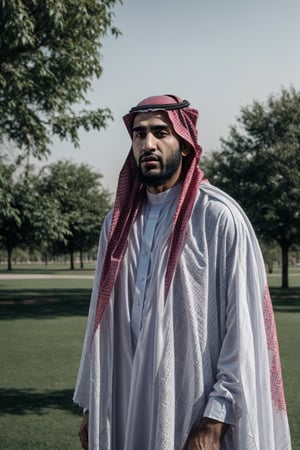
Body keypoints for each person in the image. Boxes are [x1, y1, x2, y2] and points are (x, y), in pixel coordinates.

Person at [73, 95, 291, 450]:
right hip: (124, 406)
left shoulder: (218, 218)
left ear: (186, 144)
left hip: (193, 403)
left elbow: (243, 330)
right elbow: (98, 324)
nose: (148, 144)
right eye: (139, 134)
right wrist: (91, 405)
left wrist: (216, 418)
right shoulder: (115, 225)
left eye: (161, 132)